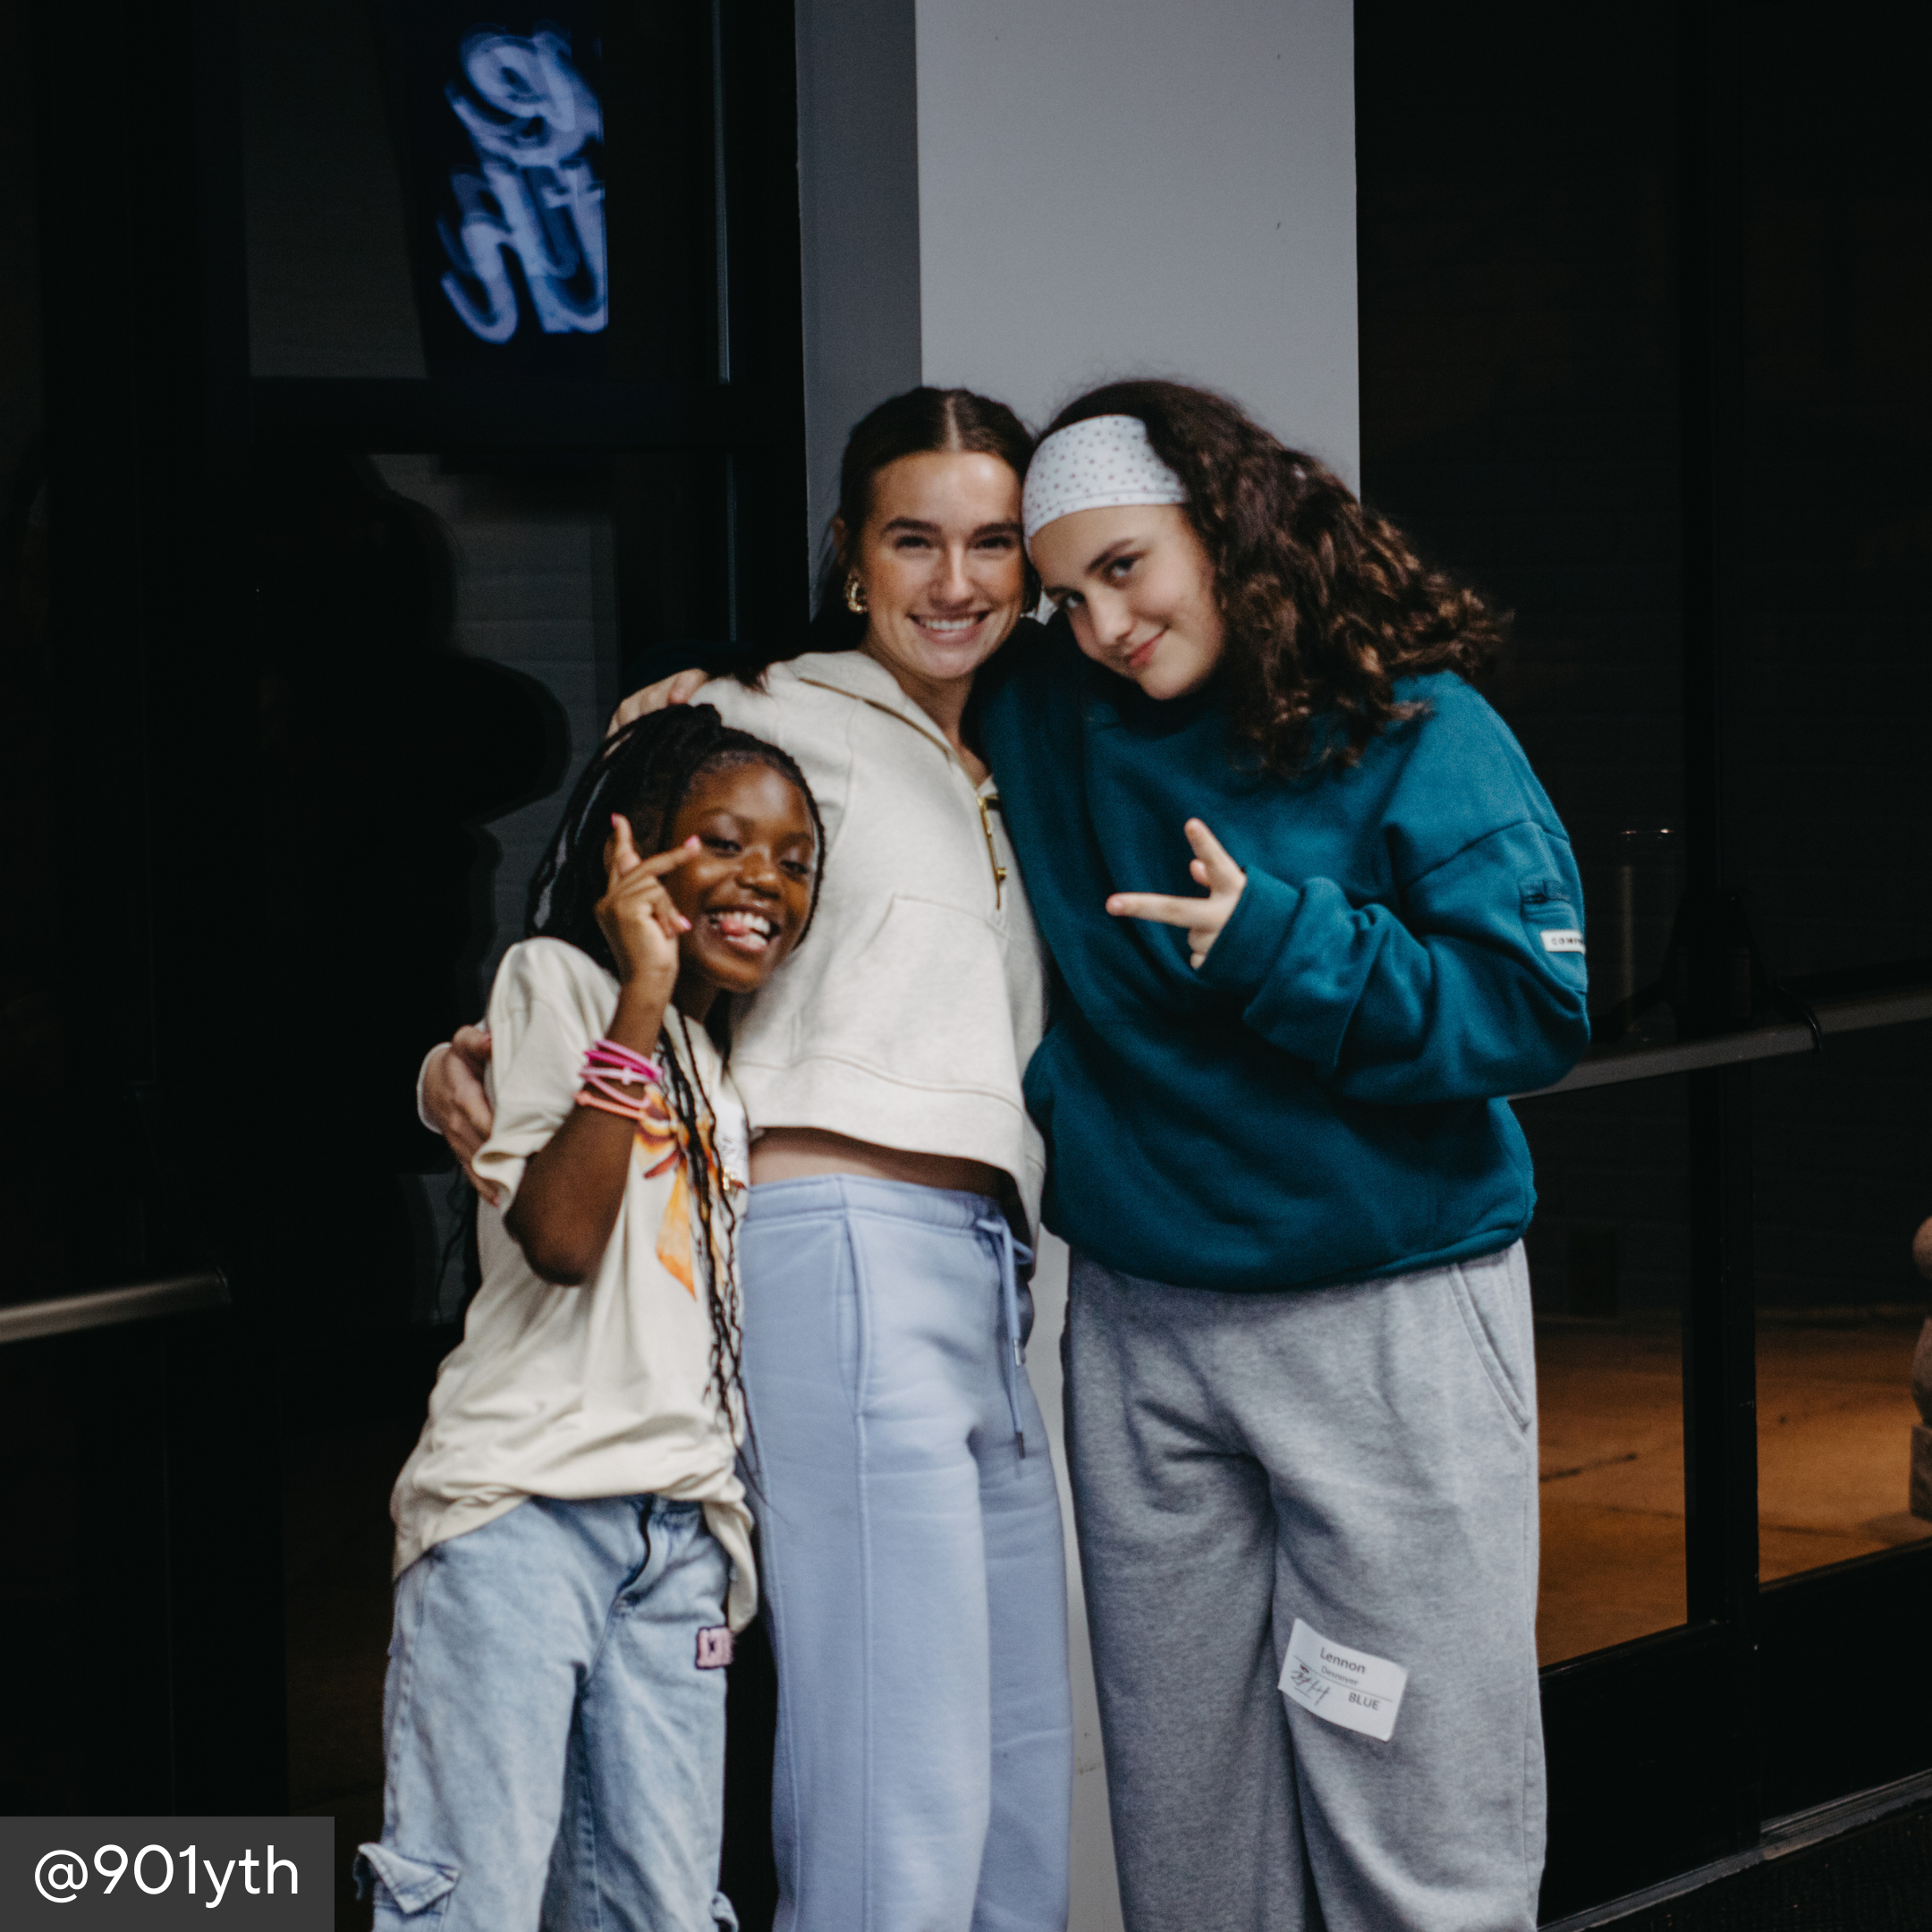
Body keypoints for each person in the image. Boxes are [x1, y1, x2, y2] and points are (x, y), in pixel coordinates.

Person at [420, 389, 1073, 1932]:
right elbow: (600, 914)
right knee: (889, 1771)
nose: (956, 581)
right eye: (915, 539)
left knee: (1014, 1772)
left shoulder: (999, 752)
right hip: (834, 1240)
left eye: (991, 543)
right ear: (852, 554)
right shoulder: (778, 717)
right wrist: (464, 1071)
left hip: (979, 1269)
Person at [979, 381, 1590, 1932]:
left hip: (1382, 1311)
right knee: (1189, 1821)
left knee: (1416, 1806)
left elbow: (1532, 1006)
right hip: (1145, 1323)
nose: (1103, 622)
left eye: (1127, 565)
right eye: (1064, 594)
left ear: (1223, 527)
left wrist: (1279, 946)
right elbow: (884, 679)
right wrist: (718, 709)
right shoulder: (1045, 714)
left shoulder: (1412, 724)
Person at [359, 706, 823, 1932]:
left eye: (794, 860)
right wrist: (638, 996)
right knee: (477, 1897)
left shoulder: (720, 1070)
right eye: (723, 842)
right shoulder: (556, 984)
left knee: (661, 1907)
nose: (762, 881)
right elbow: (562, 1242)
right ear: (638, 851)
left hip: (678, 1540)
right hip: (523, 1514)